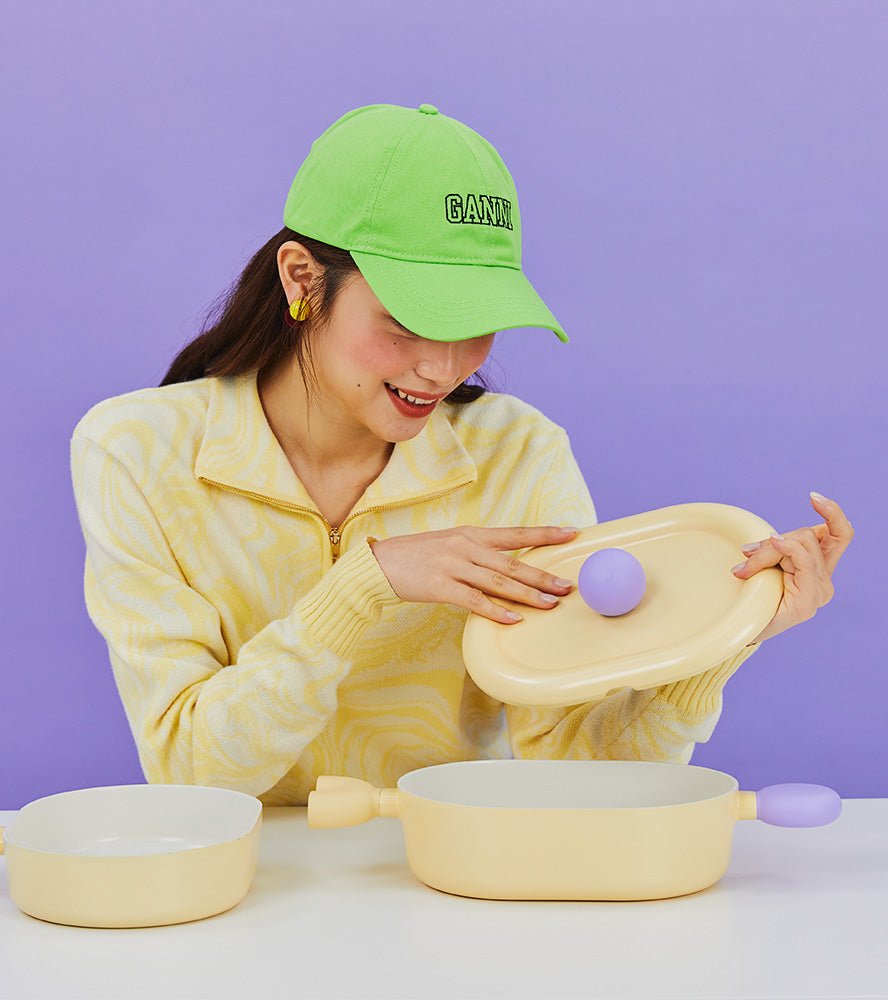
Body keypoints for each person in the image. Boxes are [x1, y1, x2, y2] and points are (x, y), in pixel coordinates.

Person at [70, 103, 852, 804]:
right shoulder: (137, 451)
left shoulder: (518, 454)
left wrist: (721, 635)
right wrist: (363, 587)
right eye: (408, 319)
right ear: (303, 277)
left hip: (448, 883)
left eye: (474, 321)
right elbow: (189, 775)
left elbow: (582, 777)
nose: (443, 368)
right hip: (238, 890)